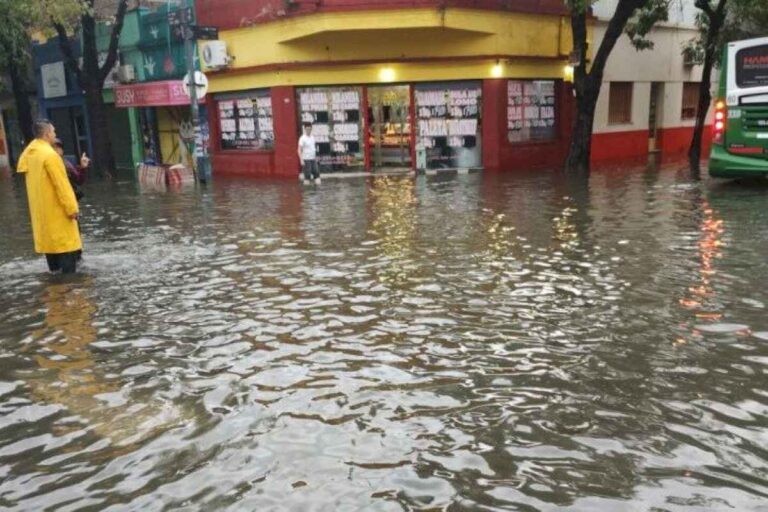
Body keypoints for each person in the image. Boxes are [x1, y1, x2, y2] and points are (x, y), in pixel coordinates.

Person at [16, 120, 82, 274]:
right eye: (53, 132)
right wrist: (72, 209)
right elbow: (62, 186)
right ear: (46, 134)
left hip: (42, 221)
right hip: (58, 218)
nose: (55, 134)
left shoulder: (30, 154)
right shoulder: (50, 156)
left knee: (54, 269)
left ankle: (54, 295)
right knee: (68, 270)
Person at [52, 140, 89, 262]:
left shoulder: (65, 163)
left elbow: (78, 179)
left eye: (58, 148)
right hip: (61, 207)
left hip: (69, 206)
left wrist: (82, 167)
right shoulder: (54, 163)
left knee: (74, 233)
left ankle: (76, 259)